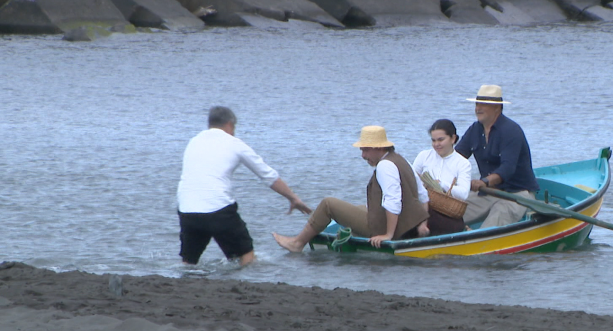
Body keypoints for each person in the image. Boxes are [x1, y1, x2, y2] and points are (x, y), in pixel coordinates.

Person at [177, 106, 311, 266]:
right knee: (246, 256)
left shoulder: (194, 142)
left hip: (187, 210)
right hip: (219, 210)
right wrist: (293, 198)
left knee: (189, 261)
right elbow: (268, 176)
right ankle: (244, 284)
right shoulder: (234, 143)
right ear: (230, 124)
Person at [273, 125, 430, 251]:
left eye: (366, 149)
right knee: (362, 208)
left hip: (392, 231)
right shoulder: (401, 160)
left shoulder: (385, 166)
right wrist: (422, 224)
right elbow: (423, 195)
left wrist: (387, 235)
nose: (363, 155)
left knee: (328, 204)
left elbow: (393, 201)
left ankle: (298, 243)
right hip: (409, 227)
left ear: (379, 148)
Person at [455, 85, 539, 228]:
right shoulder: (474, 129)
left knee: (492, 224)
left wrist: (484, 182)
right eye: (477, 103)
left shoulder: (511, 130)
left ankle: (478, 244)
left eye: (484, 104)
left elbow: (507, 168)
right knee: (449, 216)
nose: (478, 108)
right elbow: (456, 158)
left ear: (497, 108)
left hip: (517, 193)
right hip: (488, 192)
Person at [412, 119, 471, 235]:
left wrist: (441, 184)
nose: (436, 144)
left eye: (441, 140)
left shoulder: (463, 163)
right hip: (423, 209)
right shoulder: (424, 156)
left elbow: (464, 194)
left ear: (453, 139)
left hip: (447, 213)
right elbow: (411, 179)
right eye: (433, 140)